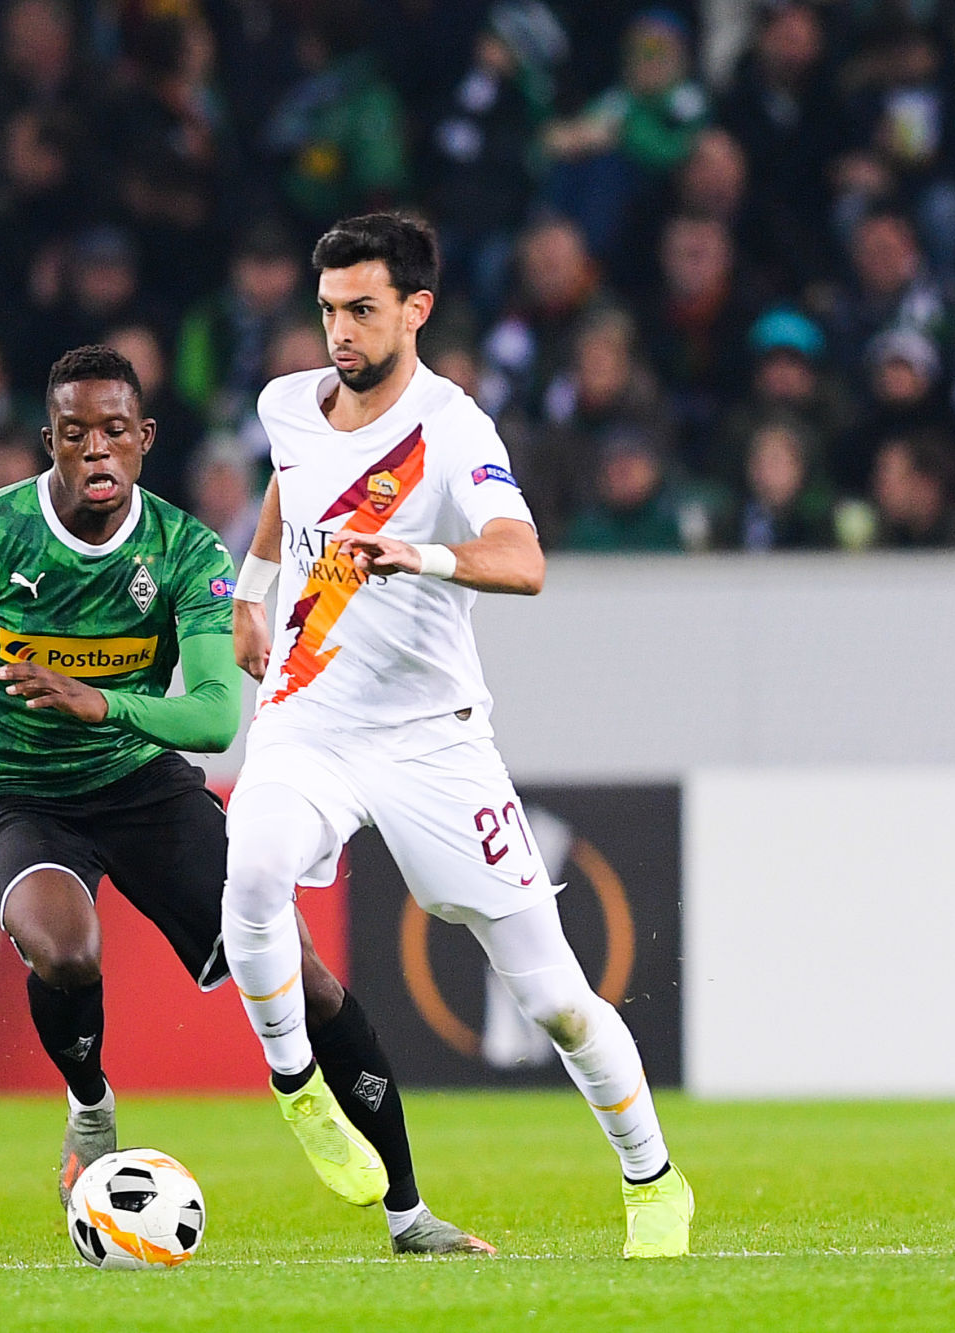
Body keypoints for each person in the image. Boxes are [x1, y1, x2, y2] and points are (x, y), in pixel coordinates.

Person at [0, 345, 490, 1256]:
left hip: (140, 782)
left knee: (301, 966)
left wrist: (102, 701)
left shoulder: (180, 548)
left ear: (143, 438)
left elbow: (218, 716)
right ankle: (91, 1108)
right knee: (66, 950)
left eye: (112, 432)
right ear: (48, 443)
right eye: (72, 434)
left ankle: (409, 1214)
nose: (94, 450)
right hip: (17, 792)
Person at [225, 213, 692, 1257]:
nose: (338, 332)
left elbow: (522, 560)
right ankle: (299, 1087)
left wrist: (420, 557)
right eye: (328, 310)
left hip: (431, 741)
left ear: (415, 310)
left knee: (557, 1000)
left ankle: (653, 1178)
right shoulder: (287, 405)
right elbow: (288, 487)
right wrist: (251, 595)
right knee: (250, 870)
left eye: (361, 310)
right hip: (306, 719)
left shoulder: (455, 430)